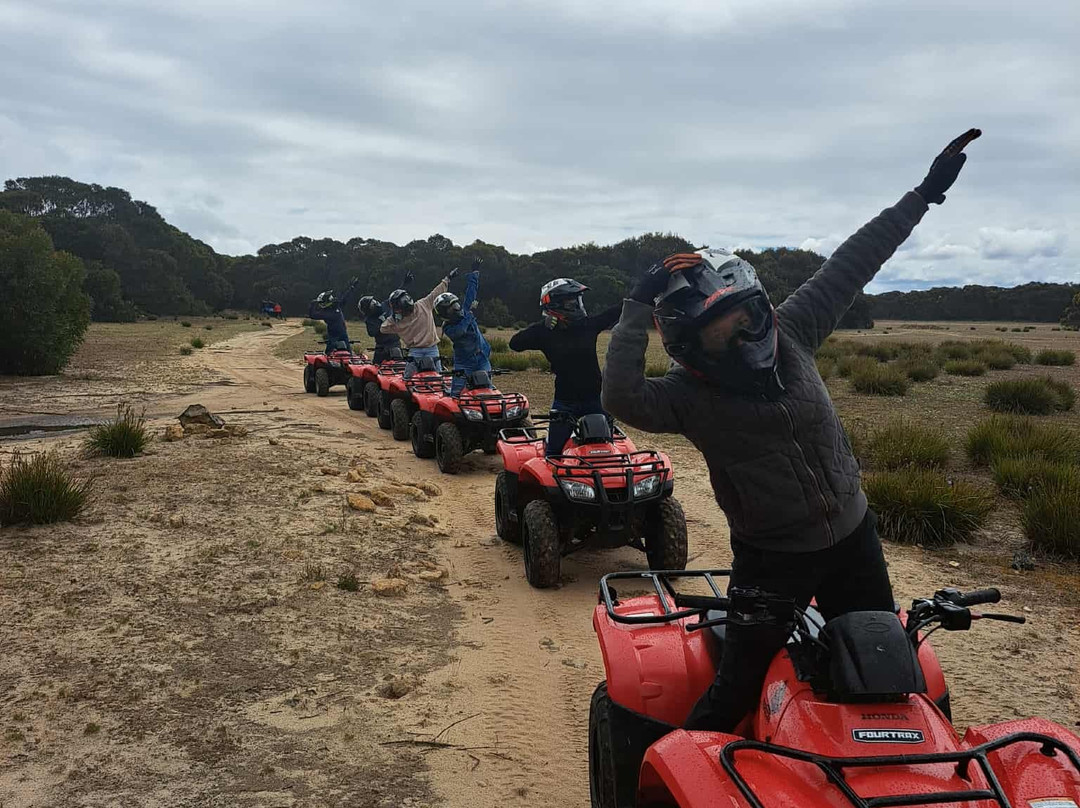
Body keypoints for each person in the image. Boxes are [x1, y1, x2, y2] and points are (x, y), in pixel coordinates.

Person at [601, 129, 981, 732]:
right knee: (735, 693)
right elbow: (621, 394)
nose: (746, 335)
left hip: (854, 535)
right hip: (772, 558)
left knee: (881, 672)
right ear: (685, 340)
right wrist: (630, 308)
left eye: (748, 316)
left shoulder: (794, 334)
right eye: (721, 330)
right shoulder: (687, 396)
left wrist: (924, 195)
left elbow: (854, 261)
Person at [509, 278, 621, 455]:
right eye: (572, 301)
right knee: (553, 453)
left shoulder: (586, 326)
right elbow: (514, 343)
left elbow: (616, 311)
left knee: (606, 451)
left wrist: (648, 292)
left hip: (596, 399)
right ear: (556, 305)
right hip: (565, 403)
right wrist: (541, 326)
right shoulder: (545, 332)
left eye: (578, 301)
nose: (578, 305)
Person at [380, 268, 458, 374]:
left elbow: (436, 293)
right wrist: (393, 318)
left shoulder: (422, 305)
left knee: (432, 378)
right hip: (420, 350)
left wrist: (447, 279)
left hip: (428, 349)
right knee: (413, 379)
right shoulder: (420, 306)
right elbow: (383, 328)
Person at [436, 258, 492, 396]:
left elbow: (471, 292)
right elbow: (460, 331)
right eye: (451, 308)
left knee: (487, 389)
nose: (456, 309)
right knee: (457, 394)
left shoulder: (465, 311)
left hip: (482, 356)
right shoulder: (448, 328)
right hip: (464, 362)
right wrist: (470, 315)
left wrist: (475, 273)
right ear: (445, 313)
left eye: (456, 304)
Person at [308, 278, 361, 352]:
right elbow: (345, 297)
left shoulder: (326, 312)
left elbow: (313, 315)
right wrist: (352, 288)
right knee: (348, 353)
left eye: (321, 303)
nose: (320, 305)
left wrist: (312, 305)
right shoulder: (337, 306)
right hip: (340, 334)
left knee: (329, 354)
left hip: (336, 336)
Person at [358, 295, 402, 362]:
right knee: (377, 366)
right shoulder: (370, 319)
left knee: (398, 365)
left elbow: (394, 297)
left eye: (374, 301)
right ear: (369, 309)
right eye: (372, 304)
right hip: (381, 347)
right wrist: (382, 322)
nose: (375, 303)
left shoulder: (385, 305)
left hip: (394, 343)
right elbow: (372, 333)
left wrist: (404, 286)